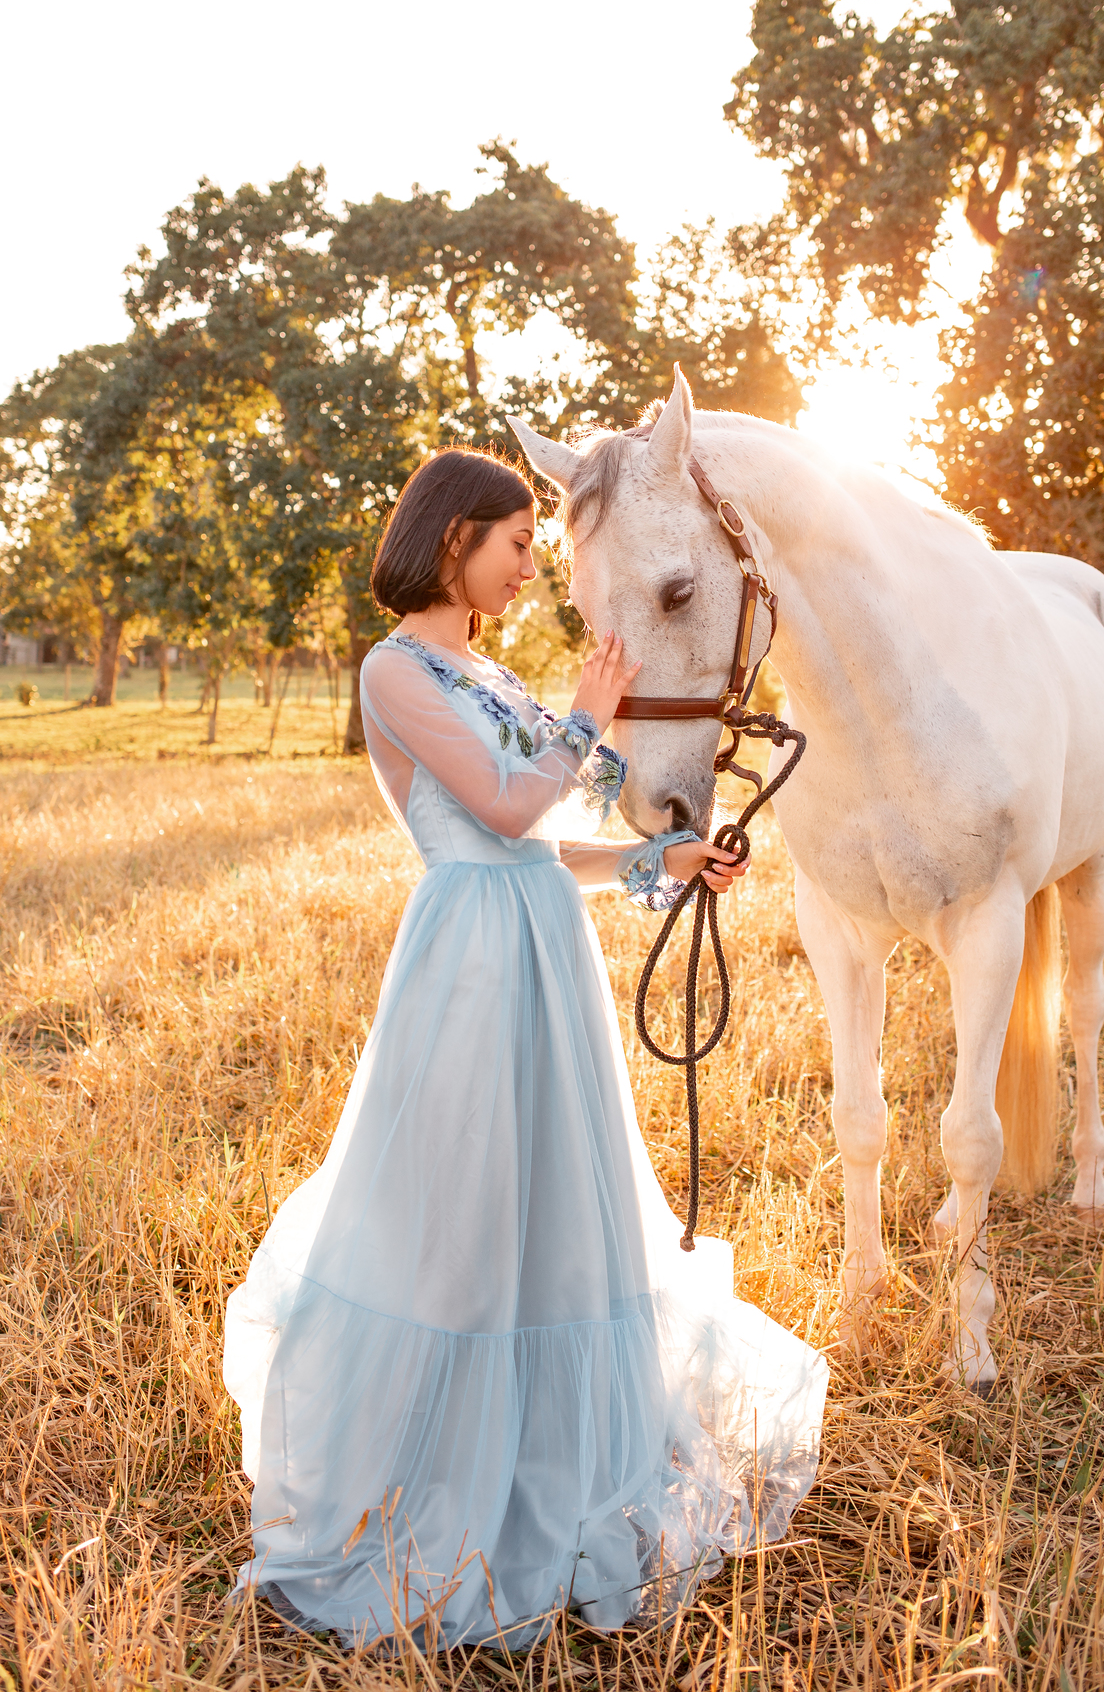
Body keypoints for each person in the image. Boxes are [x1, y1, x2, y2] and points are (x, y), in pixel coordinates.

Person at [223, 448, 827, 1652]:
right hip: (470, 959)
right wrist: (589, 715)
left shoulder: (490, 670)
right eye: (515, 543)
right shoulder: (394, 672)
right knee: (463, 1208)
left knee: (561, 1207)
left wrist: (668, 861)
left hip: (547, 946)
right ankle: (434, 1476)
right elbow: (499, 814)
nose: (528, 565)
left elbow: (552, 845)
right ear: (456, 539)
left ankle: (555, 1464)